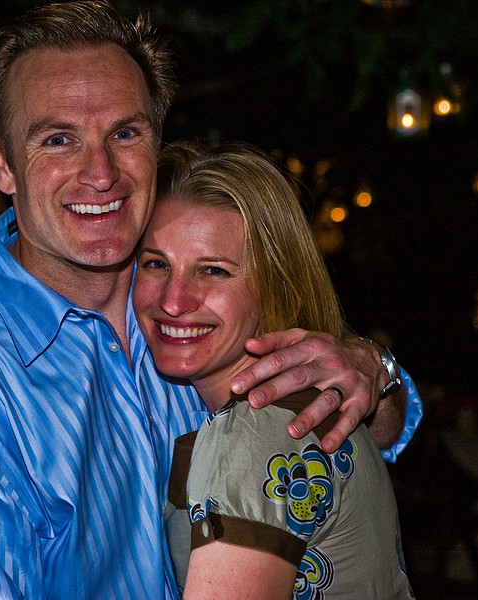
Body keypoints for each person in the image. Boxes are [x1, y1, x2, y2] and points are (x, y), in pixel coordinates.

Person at [0, 2, 422, 598]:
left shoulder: (185, 304)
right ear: (1, 161)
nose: (100, 173)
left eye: (124, 134)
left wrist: (373, 373)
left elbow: (357, 447)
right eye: (58, 139)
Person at [135, 141, 413, 598]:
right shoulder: (306, 400)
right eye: (156, 263)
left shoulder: (256, 429)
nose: (173, 301)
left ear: (276, 285)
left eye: (213, 271)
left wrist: (379, 368)